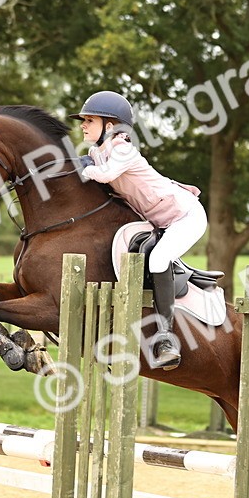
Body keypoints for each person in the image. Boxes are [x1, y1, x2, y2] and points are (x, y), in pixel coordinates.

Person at [70, 91, 206, 371]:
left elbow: (105, 175)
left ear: (109, 126)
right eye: (84, 120)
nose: (83, 125)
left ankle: (166, 338)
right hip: (161, 221)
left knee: (158, 260)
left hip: (186, 216)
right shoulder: (97, 152)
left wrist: (83, 169)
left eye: (89, 120)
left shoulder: (122, 149)